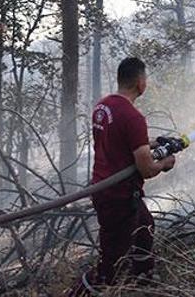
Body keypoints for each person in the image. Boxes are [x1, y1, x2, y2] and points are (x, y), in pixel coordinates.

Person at [68, 57, 176, 295]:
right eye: (145, 79)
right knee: (111, 262)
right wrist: (165, 163)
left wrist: (154, 142)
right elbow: (146, 169)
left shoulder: (103, 107)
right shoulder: (133, 117)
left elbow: (118, 142)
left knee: (145, 227)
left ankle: (144, 281)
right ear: (140, 82)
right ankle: (87, 291)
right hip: (120, 196)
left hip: (104, 189)